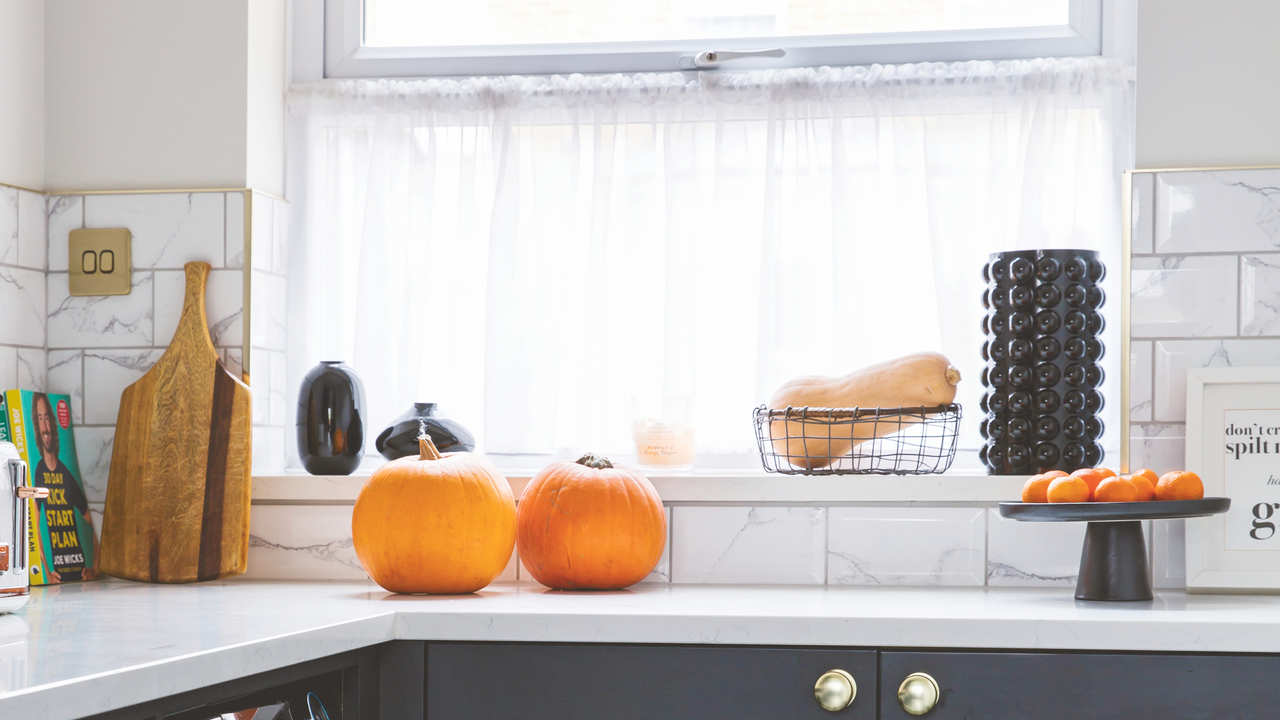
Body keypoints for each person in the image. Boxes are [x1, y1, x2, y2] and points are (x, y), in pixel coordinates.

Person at [30, 393, 97, 582]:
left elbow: (95, 523)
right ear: (37, 426)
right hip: (57, 581)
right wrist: (46, 573)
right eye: (40, 419)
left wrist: (96, 567)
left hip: (79, 577)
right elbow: (33, 527)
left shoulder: (66, 473)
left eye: (47, 419)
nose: (45, 426)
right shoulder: (38, 472)